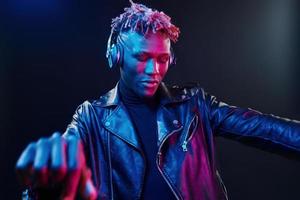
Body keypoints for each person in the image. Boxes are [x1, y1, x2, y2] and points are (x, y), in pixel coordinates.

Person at [15, 1, 300, 200]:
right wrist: (44, 179)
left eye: (162, 59)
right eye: (142, 58)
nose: (154, 71)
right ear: (116, 56)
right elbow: (61, 158)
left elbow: (264, 129)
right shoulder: (92, 117)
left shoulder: (193, 105)